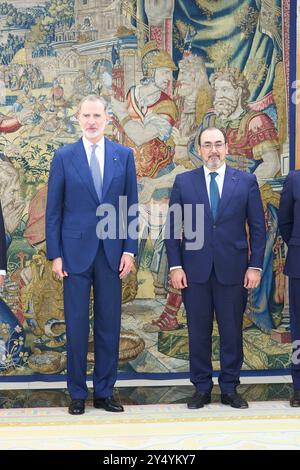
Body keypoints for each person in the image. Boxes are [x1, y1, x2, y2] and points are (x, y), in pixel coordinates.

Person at [46, 95, 138, 415]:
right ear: (78, 117)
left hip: (112, 253)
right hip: (74, 254)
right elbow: (53, 210)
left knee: (109, 325)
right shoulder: (64, 156)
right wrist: (55, 255)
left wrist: (129, 249)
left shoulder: (123, 156)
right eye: (86, 115)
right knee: (75, 326)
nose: (91, 121)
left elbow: (130, 207)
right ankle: (75, 393)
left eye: (97, 115)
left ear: (107, 119)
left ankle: (104, 392)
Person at [165, 127, 266, 409]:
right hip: (194, 270)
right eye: (207, 145)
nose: (213, 150)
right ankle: (202, 388)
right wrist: (175, 266)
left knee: (232, 331)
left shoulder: (246, 181)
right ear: (199, 149)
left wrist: (255, 266)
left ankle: (230, 388)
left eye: (218, 144)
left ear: (227, 148)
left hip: (234, 270)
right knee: (198, 331)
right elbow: (172, 229)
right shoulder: (184, 182)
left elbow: (259, 229)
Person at [278, 171, 300, 407]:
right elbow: (285, 223)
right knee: (298, 330)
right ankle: (299, 386)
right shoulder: (294, 180)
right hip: (299, 266)